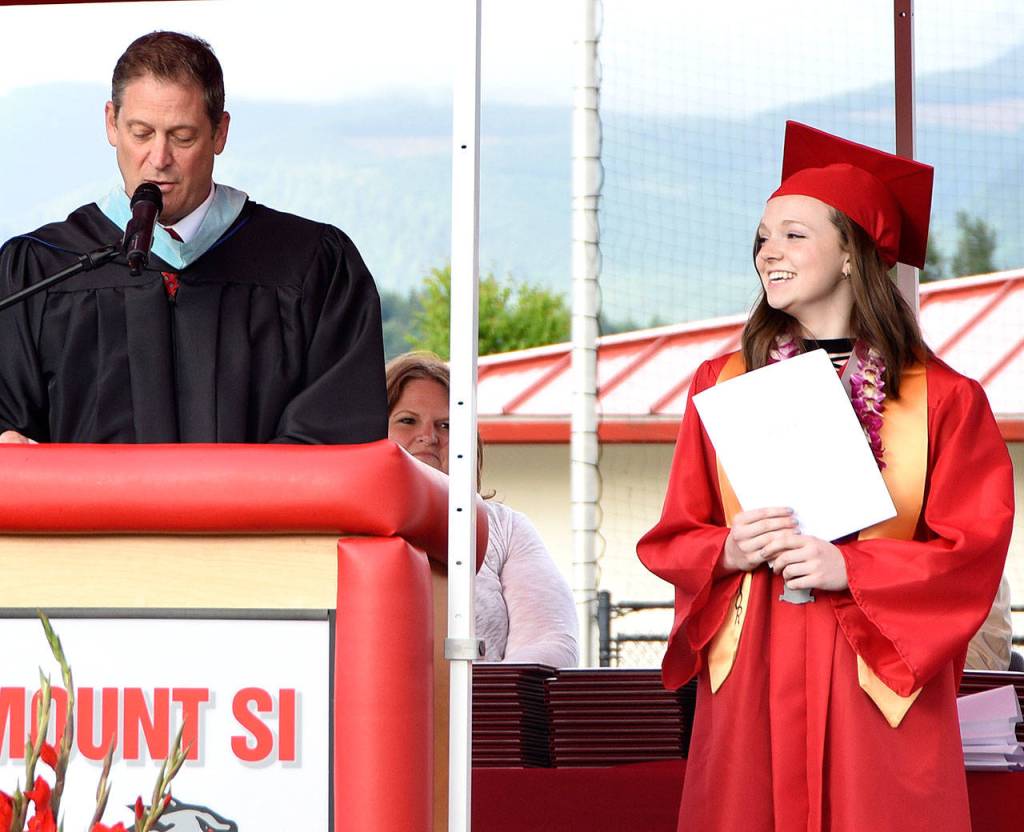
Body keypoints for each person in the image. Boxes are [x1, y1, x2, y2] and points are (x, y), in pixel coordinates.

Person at [636, 121, 1014, 831]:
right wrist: (728, 550)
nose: (768, 253)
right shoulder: (720, 384)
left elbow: (973, 552)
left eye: (793, 234)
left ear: (852, 254)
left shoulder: (945, 398)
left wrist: (851, 566)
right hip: (756, 662)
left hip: (875, 670)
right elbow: (674, 536)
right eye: (761, 237)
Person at [0, 31, 386, 445]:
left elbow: (337, 434)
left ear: (220, 132)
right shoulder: (44, 269)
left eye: (182, 137)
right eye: (141, 133)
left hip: (259, 512)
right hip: (88, 513)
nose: (159, 158)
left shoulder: (310, 266)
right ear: (111, 123)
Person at [386, 351, 579, 667]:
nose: (428, 437)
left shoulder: (505, 528)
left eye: (445, 425)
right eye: (408, 420)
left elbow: (553, 642)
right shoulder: (345, 525)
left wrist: (480, 702)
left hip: (484, 713)